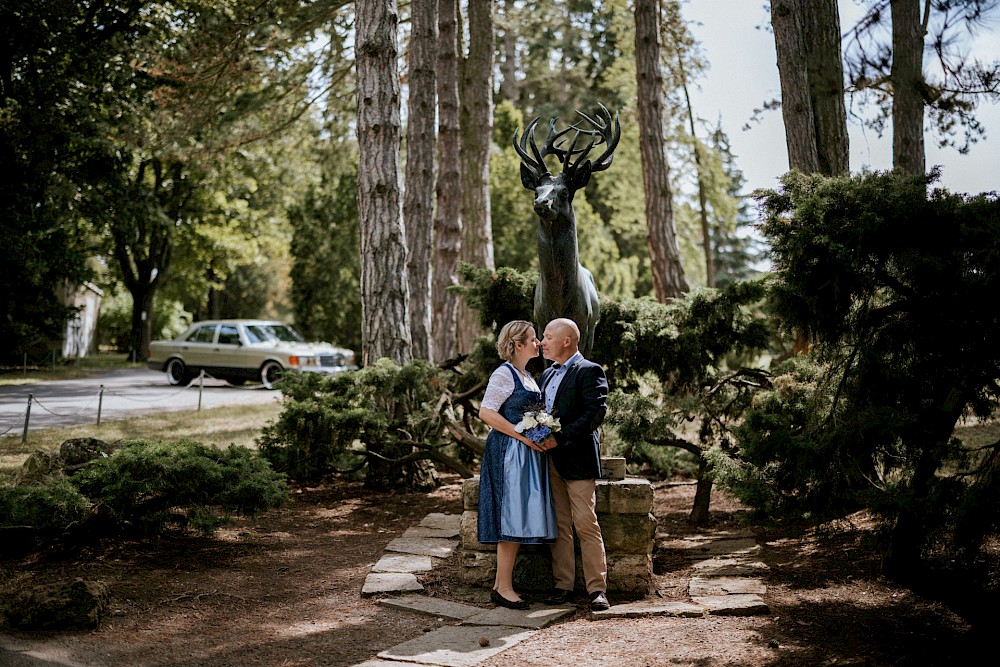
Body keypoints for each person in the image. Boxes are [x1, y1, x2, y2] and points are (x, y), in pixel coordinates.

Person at [478, 320, 558, 610]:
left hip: (525, 454)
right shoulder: (504, 374)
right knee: (509, 517)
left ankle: (503, 586)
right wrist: (522, 436)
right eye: (534, 338)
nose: (539, 343)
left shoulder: (527, 376)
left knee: (519, 517)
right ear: (518, 345)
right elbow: (485, 412)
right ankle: (503, 587)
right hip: (508, 453)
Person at [538, 317, 611, 611]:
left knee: (585, 524)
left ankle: (597, 590)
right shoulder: (546, 375)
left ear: (566, 340)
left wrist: (561, 437)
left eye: (547, 336)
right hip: (550, 460)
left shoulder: (589, 370)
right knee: (559, 525)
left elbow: (595, 412)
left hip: (578, 458)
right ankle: (563, 586)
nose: (542, 342)